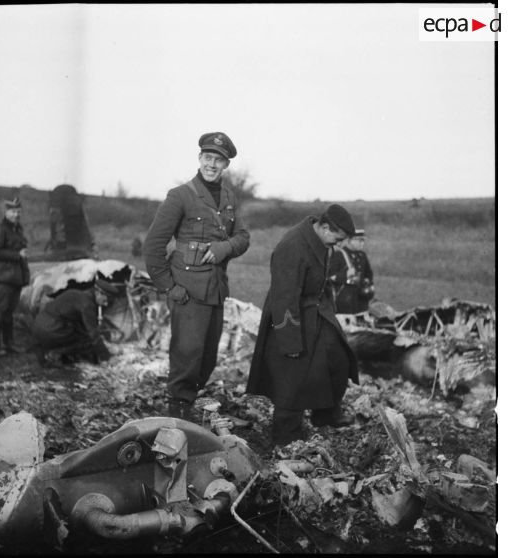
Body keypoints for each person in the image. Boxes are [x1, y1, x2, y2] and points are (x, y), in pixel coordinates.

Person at [143, 132, 250, 420]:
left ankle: (186, 404)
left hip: (214, 290)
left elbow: (242, 237)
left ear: (226, 164)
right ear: (199, 158)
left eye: (218, 160)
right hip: (187, 291)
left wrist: (223, 248)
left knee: (207, 359)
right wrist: (169, 288)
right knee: (186, 356)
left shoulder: (228, 197)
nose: (212, 165)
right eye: (207, 158)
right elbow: (153, 247)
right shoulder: (180, 196)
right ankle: (177, 416)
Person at [246, 204, 359, 446]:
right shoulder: (292, 247)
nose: (337, 247)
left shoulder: (320, 238)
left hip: (315, 309)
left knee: (337, 358)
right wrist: (290, 341)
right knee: (292, 376)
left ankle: (326, 413)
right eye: (336, 241)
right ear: (325, 227)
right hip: (290, 314)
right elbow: (285, 297)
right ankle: (285, 435)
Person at [30, 279, 121, 367]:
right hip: (50, 330)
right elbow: (93, 335)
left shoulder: (76, 294)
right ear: (98, 293)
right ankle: (55, 353)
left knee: (82, 335)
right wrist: (107, 357)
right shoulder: (87, 305)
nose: (105, 304)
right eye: (105, 300)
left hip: (38, 327)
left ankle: (53, 350)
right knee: (88, 341)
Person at [0, 198, 30, 355]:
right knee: (0, 311)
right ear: (5, 213)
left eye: (19, 212)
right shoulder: (0, 229)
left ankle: (9, 343)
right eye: (13, 211)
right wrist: (17, 255)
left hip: (15, 278)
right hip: (3, 277)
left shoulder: (17, 229)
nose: (16, 215)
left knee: (9, 312)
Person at [330, 229, 375, 314]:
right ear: (350, 240)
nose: (362, 243)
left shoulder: (362, 255)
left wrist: (368, 281)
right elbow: (331, 277)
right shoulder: (339, 255)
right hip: (344, 297)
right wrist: (345, 275)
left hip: (360, 298)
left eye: (363, 241)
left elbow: (368, 273)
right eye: (359, 240)